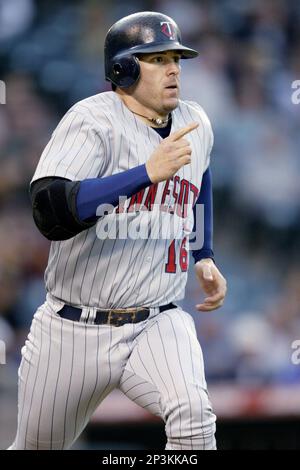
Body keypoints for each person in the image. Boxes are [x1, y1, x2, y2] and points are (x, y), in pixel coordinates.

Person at [10, 11, 227, 450]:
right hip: (74, 326)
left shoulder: (195, 121)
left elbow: (199, 179)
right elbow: (49, 211)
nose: (173, 69)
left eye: (176, 59)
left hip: (158, 320)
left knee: (195, 422)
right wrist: (144, 173)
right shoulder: (91, 120)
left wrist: (203, 253)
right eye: (157, 59)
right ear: (122, 70)